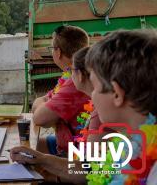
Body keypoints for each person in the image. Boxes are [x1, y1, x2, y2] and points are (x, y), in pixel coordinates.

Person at [11, 30, 157, 184]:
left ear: (116, 94)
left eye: (95, 86)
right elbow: (94, 171)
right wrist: (42, 160)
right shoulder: (133, 139)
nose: (91, 96)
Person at [32, 25, 90, 156]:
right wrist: (45, 104)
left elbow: (40, 119)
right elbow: (44, 99)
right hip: (67, 143)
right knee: (29, 146)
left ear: (58, 52)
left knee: (26, 153)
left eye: (52, 49)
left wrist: (44, 105)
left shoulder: (75, 82)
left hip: (78, 151)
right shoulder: (70, 75)